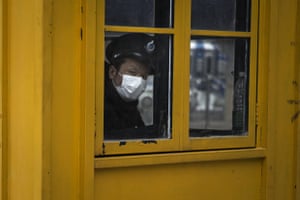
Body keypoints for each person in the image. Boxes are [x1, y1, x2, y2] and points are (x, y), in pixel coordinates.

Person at [104, 33, 156, 134]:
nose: (139, 81)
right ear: (112, 72)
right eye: (132, 72)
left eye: (144, 76)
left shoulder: (129, 107)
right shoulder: (98, 107)